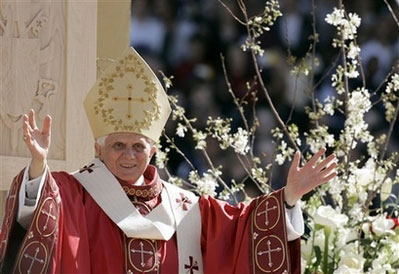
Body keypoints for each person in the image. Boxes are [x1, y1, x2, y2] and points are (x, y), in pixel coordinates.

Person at [0, 47, 337, 274]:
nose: (128, 155)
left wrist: (288, 197)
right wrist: (39, 166)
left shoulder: (187, 207)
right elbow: (41, 206)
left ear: (153, 150)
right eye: (118, 145)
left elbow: (240, 230)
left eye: (138, 146)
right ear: (98, 149)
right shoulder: (75, 193)